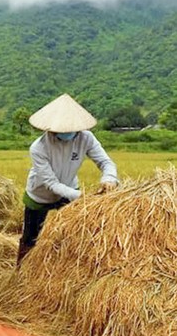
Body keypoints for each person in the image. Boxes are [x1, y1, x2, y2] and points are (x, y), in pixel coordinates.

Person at [17, 94, 119, 264]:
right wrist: (81, 197)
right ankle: (21, 274)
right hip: (40, 194)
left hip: (70, 190)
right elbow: (50, 183)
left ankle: (66, 269)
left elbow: (105, 162)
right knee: (31, 238)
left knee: (72, 234)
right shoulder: (39, 148)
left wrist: (109, 179)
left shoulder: (86, 138)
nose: (66, 133)